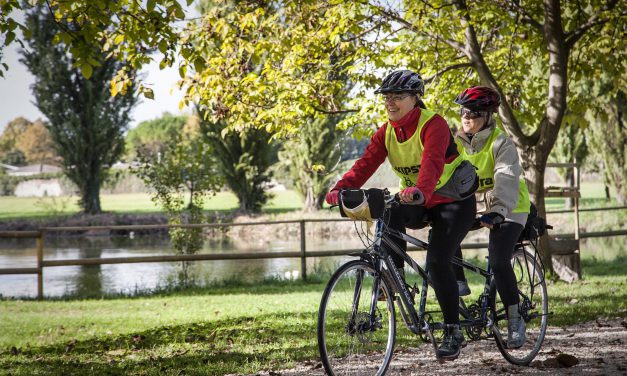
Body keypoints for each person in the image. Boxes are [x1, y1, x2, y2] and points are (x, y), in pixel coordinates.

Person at [326, 70, 476, 360]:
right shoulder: (387, 132)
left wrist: (420, 190)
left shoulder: (433, 124)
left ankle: (452, 330)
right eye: (387, 97)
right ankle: (394, 282)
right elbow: (365, 164)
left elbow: (432, 163)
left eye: (398, 97)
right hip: (417, 197)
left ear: (415, 97)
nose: (390, 103)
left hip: (453, 200)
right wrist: (340, 189)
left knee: (437, 260)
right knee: (388, 211)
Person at [452, 86, 530, 349]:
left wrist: (497, 211)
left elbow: (505, 179)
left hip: (509, 207)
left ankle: (515, 319)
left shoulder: (501, 143)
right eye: (463, 111)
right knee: (444, 236)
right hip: (475, 206)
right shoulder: (456, 144)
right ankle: (459, 282)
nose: (466, 117)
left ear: (487, 116)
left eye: (473, 113)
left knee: (498, 261)